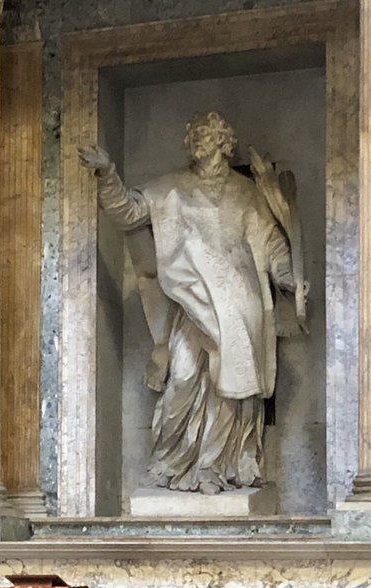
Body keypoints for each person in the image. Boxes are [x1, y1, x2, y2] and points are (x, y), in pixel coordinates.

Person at [79, 111, 308, 494]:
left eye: (206, 134)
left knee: (230, 388)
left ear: (223, 141)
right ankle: (170, 461)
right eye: (194, 135)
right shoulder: (170, 187)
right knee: (183, 378)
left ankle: (215, 466)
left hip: (238, 305)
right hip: (194, 303)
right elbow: (128, 211)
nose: (197, 141)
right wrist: (108, 174)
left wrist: (289, 278)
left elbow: (271, 245)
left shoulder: (245, 192)